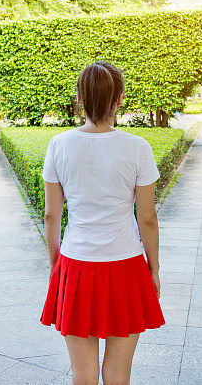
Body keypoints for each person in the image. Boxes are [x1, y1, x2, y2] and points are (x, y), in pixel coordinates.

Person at [40, 60, 165, 385]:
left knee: (83, 376)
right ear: (119, 99)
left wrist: (55, 261)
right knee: (118, 375)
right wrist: (153, 269)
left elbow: (52, 215)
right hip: (126, 266)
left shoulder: (59, 145)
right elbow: (147, 218)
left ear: (80, 98)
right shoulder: (138, 148)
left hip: (76, 265)